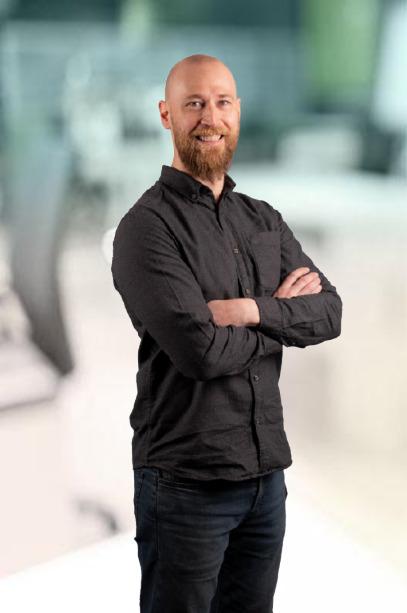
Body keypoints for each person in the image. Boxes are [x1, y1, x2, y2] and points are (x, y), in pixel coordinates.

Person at [111, 53, 342, 613]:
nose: (209, 118)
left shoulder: (262, 218)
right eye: (193, 103)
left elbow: (329, 312)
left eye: (221, 103)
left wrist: (247, 311)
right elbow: (202, 353)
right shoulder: (146, 229)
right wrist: (280, 314)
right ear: (166, 114)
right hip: (185, 486)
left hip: (266, 480)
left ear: (237, 111)